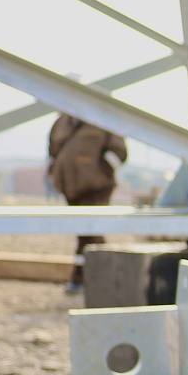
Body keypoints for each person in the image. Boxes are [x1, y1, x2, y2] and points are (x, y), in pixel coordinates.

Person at [47, 113, 127, 292]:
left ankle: (96, 280)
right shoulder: (61, 123)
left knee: (93, 234)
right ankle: (92, 279)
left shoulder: (103, 121)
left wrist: (98, 173)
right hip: (70, 188)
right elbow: (52, 150)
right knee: (84, 234)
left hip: (95, 189)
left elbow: (119, 151)